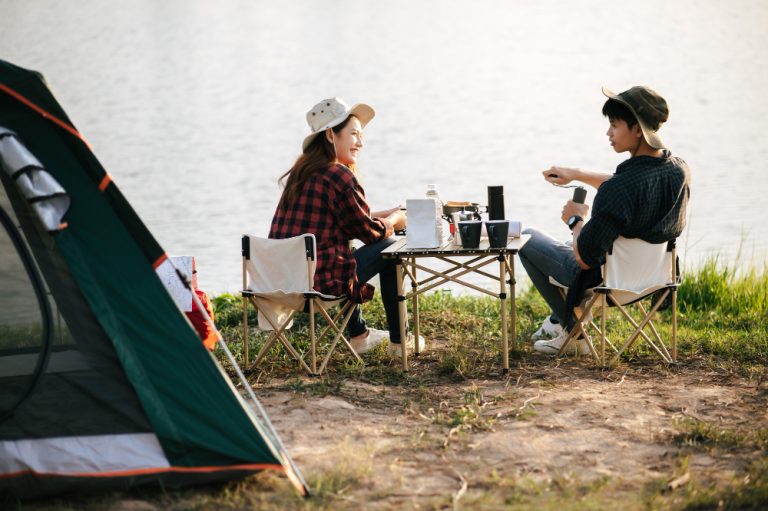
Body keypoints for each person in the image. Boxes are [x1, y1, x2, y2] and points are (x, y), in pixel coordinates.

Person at [519, 85, 691, 354]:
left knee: (529, 238)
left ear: (637, 129)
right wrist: (575, 173)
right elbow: (627, 185)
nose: (608, 133)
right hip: (653, 278)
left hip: (607, 281)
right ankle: (555, 321)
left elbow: (584, 258)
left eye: (614, 125)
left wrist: (575, 219)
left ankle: (573, 332)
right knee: (571, 243)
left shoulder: (619, 189)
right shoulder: (678, 170)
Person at [269, 97, 420, 356]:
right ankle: (400, 342)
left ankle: (359, 334)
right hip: (319, 286)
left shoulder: (302, 172)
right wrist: (396, 220)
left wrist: (383, 214)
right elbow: (370, 234)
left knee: (347, 246)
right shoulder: (339, 174)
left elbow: (336, 220)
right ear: (330, 135)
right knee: (390, 248)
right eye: (354, 135)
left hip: (282, 282)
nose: (360, 143)